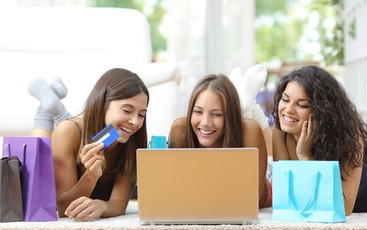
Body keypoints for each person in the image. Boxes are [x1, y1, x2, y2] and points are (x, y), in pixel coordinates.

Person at [29, 68, 149, 221]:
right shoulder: (67, 132)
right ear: (102, 103)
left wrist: (102, 206)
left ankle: (54, 106)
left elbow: (118, 204)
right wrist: (91, 176)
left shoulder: (133, 141)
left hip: (86, 129)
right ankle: (46, 110)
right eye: (127, 110)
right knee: (40, 149)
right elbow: (64, 209)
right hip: (73, 132)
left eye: (141, 114)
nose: (135, 122)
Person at [272, 65, 367, 215]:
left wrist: (305, 157)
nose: (288, 109)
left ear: (322, 110)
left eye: (302, 105)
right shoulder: (280, 132)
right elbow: (286, 194)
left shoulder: (348, 136)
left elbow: (344, 208)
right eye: (285, 99)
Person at [169, 73, 271, 208]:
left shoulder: (250, 130)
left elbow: (252, 202)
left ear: (229, 116)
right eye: (198, 111)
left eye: (217, 114)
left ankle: (249, 104)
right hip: (211, 193)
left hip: (267, 183)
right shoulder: (180, 129)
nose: (205, 123)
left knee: (270, 156)